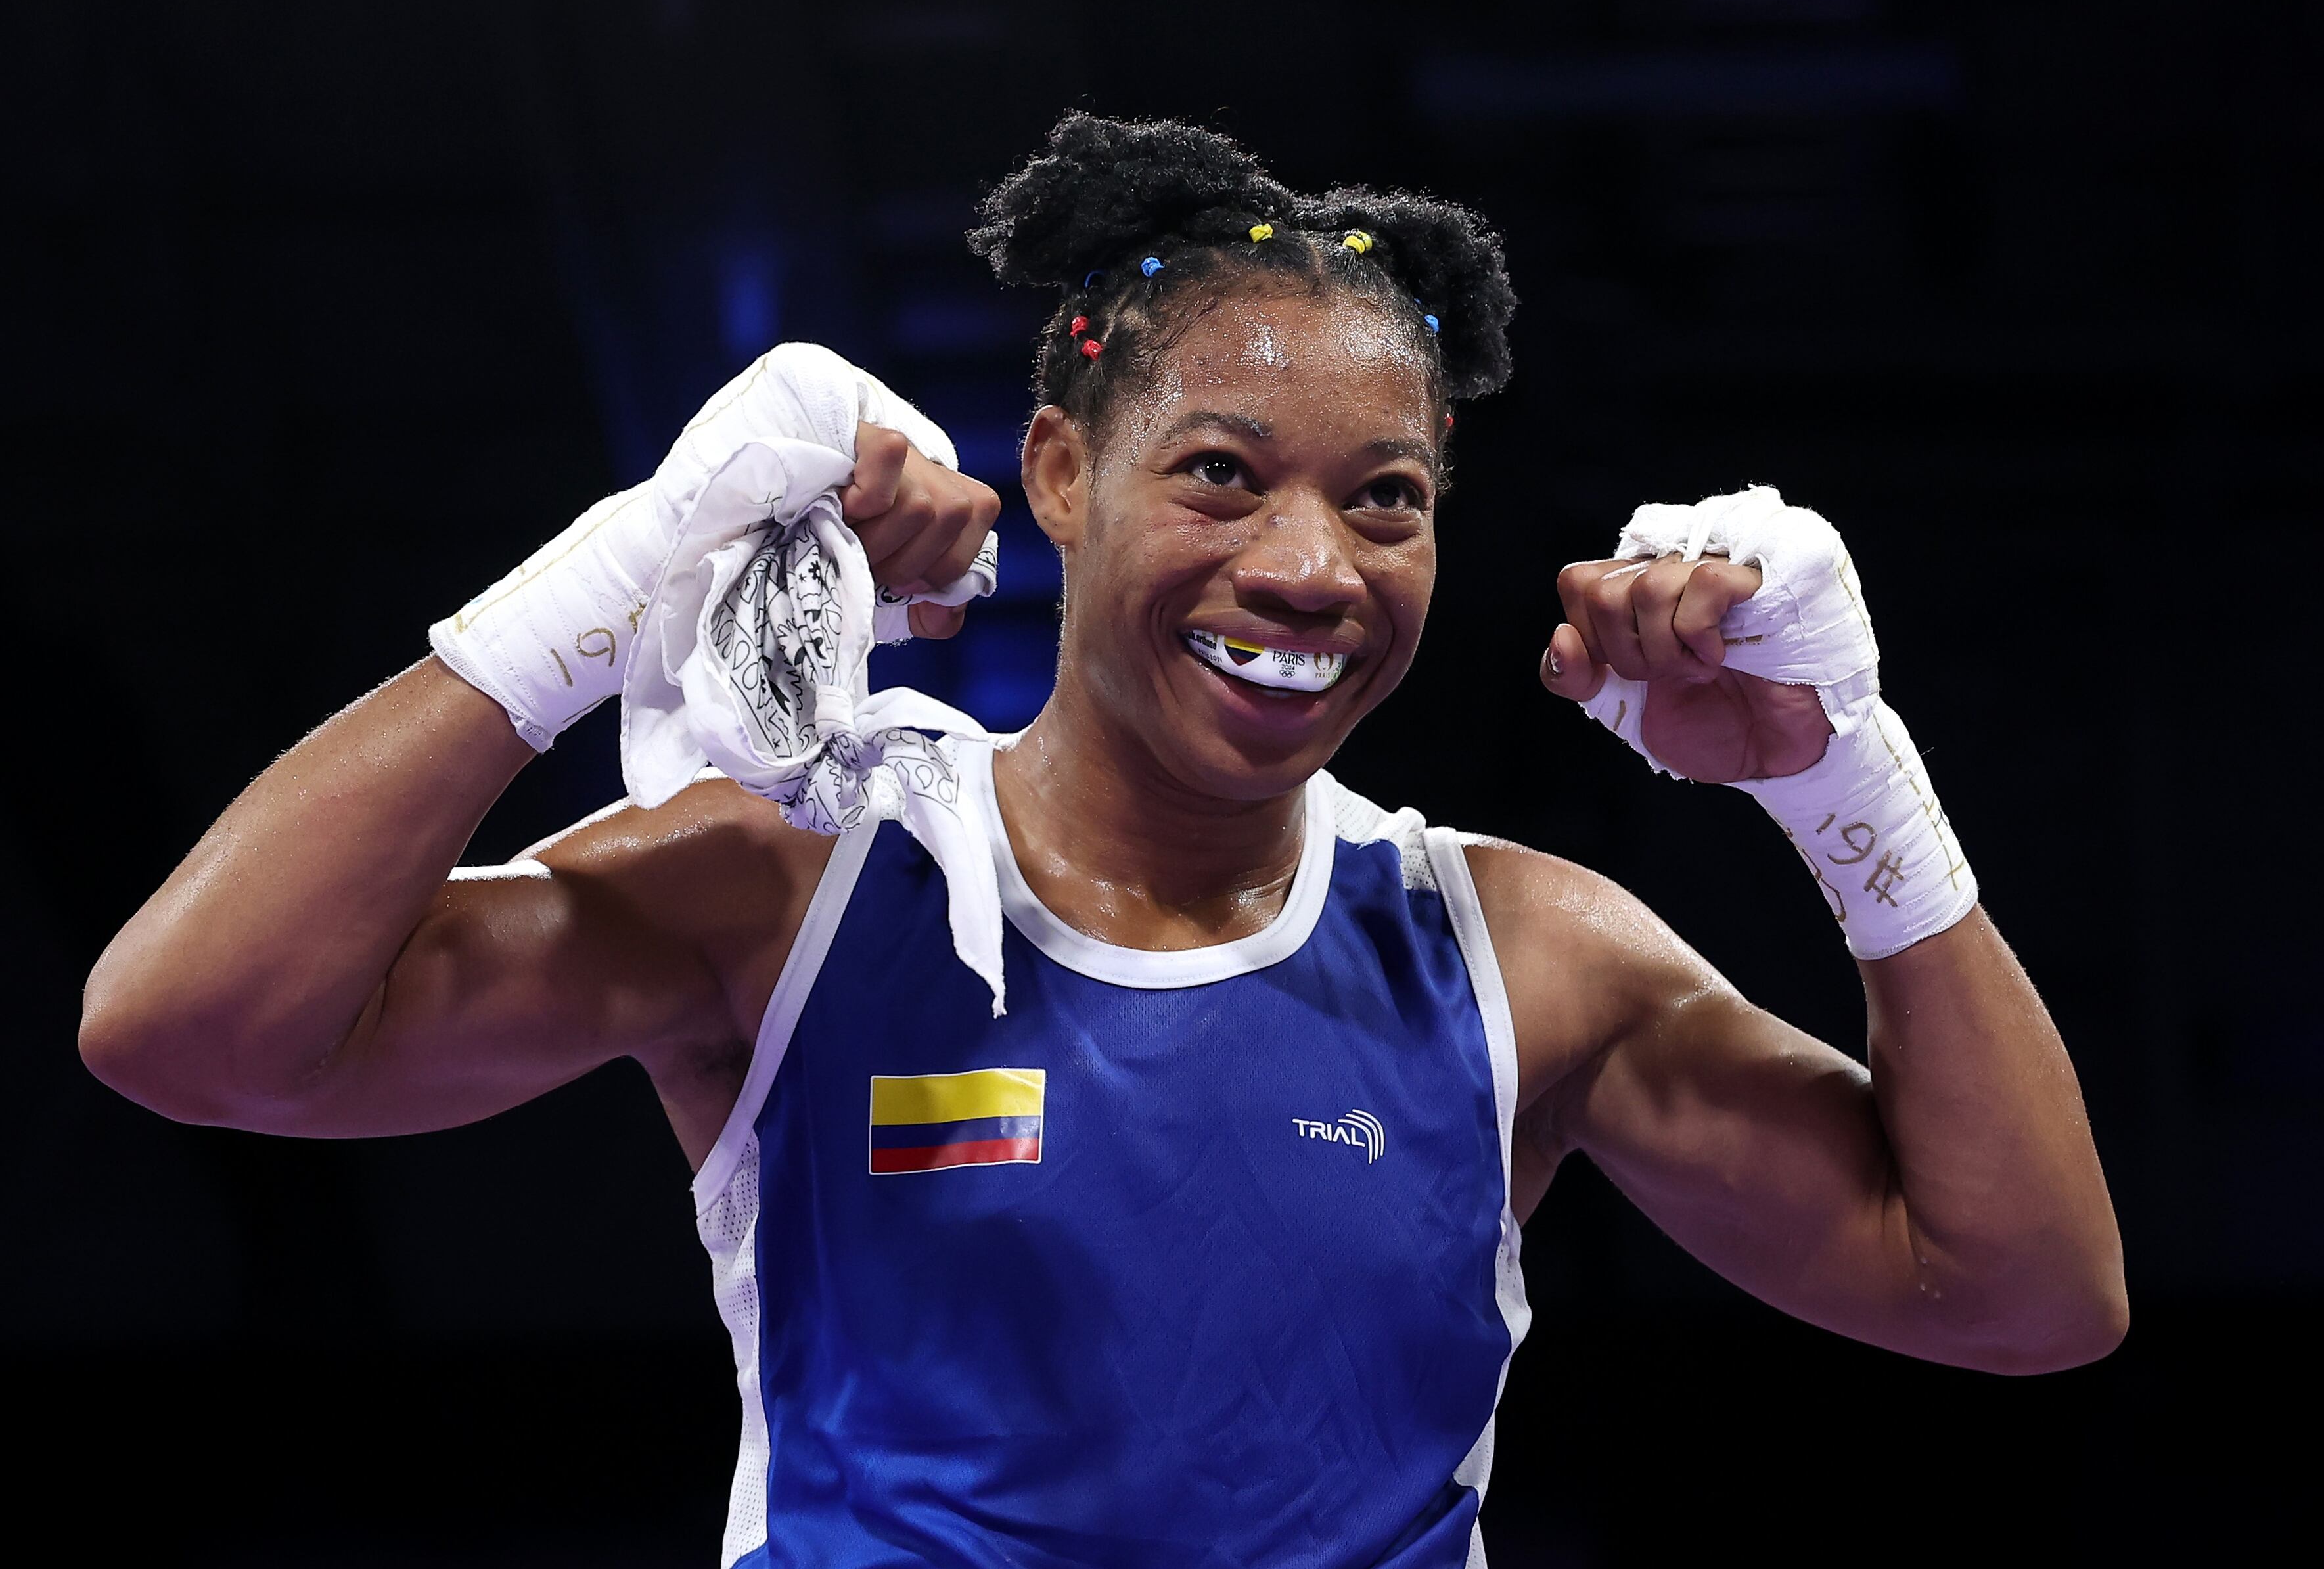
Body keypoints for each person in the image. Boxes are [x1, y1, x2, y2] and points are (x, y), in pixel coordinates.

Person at [81, 112, 2125, 1568]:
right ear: (1058, 468)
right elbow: (196, 1035)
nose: (1309, 566)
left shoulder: (1522, 954)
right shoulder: (793, 890)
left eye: (1389, 498)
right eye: (1220, 474)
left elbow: (2022, 1296)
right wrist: (613, 580)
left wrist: (1838, 775)